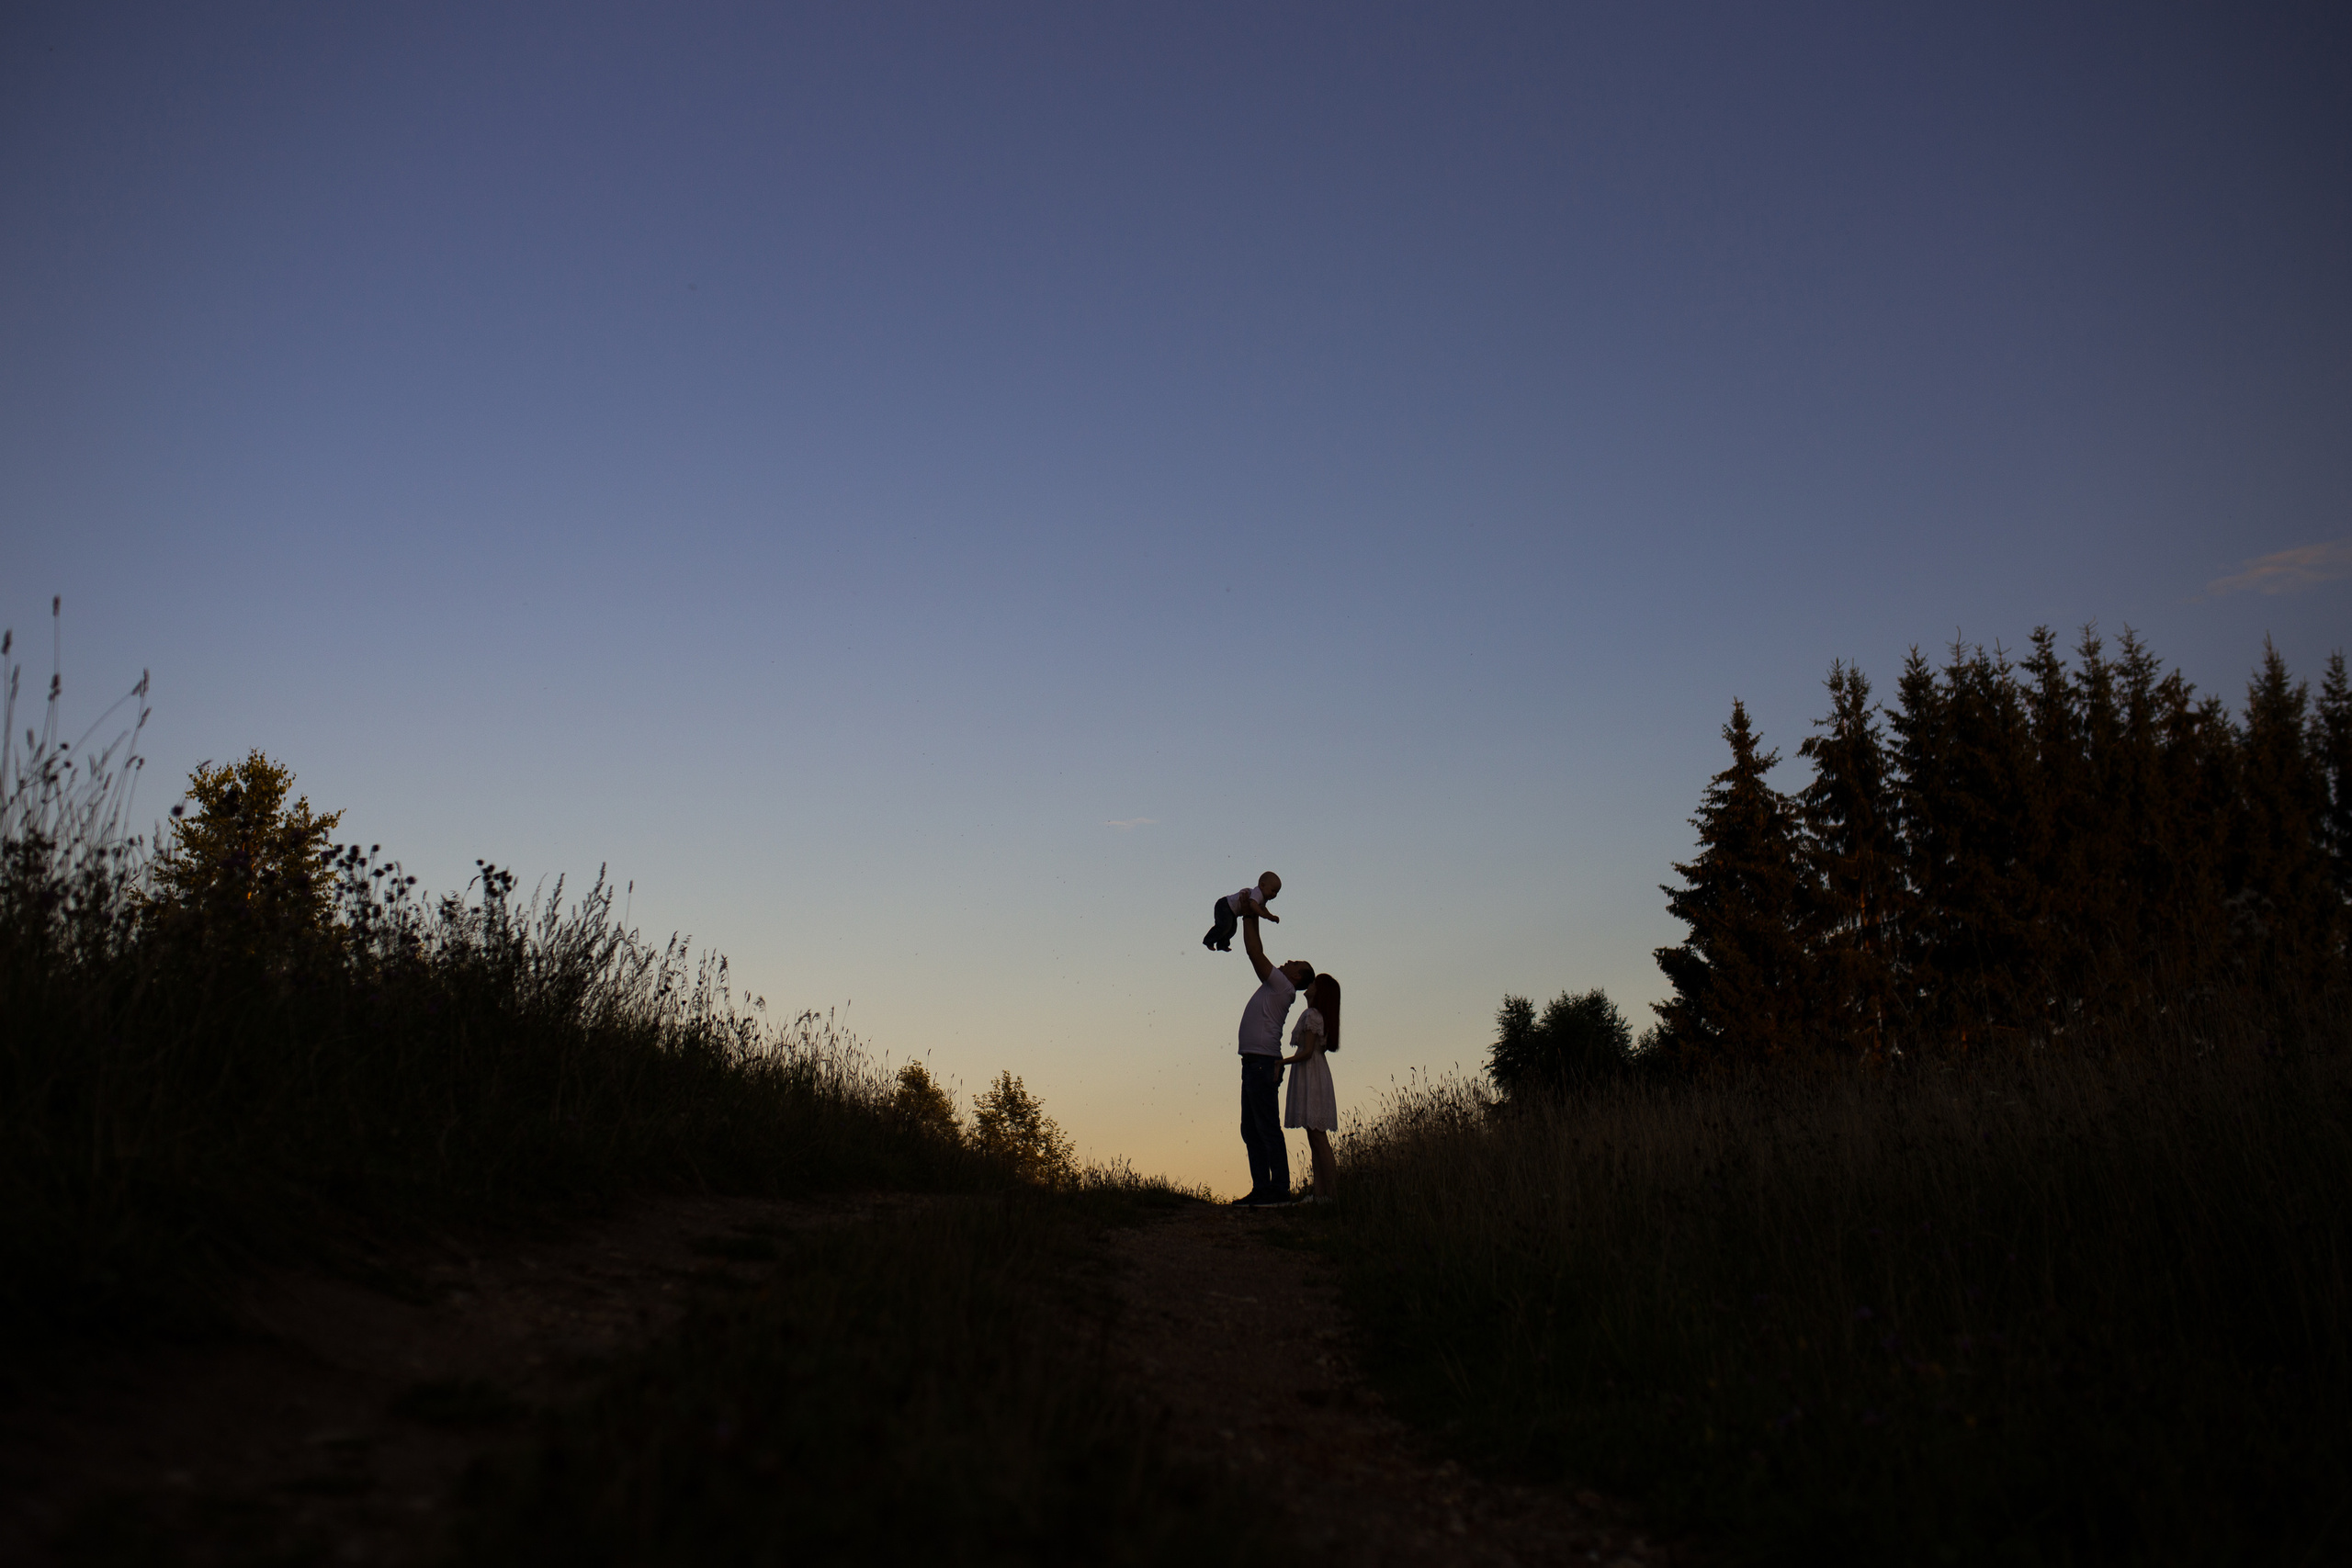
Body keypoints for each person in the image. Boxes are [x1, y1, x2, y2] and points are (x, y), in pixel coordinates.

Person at [1232, 904, 1313, 1206]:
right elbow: (1256, 950)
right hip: (1254, 1064)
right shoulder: (1275, 986)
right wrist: (1250, 913)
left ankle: (1278, 1190)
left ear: (1296, 977)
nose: (1287, 961)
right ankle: (1263, 1190)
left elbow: (1255, 951)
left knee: (1265, 1128)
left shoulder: (1282, 988)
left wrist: (1249, 913)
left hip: (1262, 1066)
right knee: (1252, 1129)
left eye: (1294, 963)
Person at [1282, 974, 1340, 1203]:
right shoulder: (1319, 1016)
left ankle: (1331, 1195)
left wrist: (1281, 1062)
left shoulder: (1312, 1015)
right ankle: (1320, 1194)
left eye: (1314, 983)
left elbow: (1306, 1052)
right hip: (1316, 1072)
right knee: (1315, 1136)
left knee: (1317, 1137)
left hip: (1311, 1073)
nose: (1310, 985)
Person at [1204, 871, 1282, 952]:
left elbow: (1263, 908)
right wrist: (1263, 915)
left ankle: (1222, 944)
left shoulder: (1263, 899)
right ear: (1262, 885)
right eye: (1273, 891)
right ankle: (1209, 941)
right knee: (1225, 926)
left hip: (1232, 911)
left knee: (1232, 929)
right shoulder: (1257, 892)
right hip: (1225, 905)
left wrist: (1270, 916)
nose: (1274, 894)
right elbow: (1253, 905)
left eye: (1276, 892)